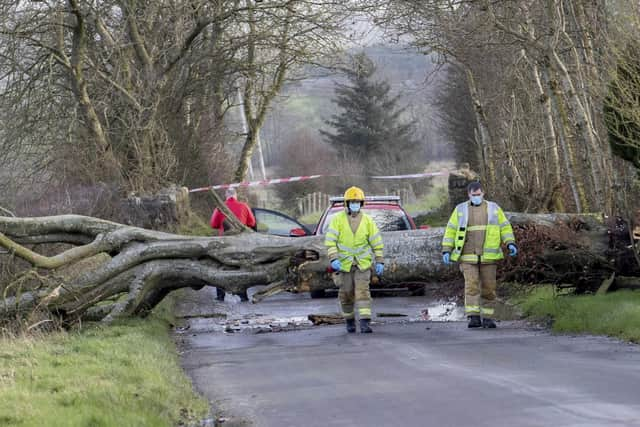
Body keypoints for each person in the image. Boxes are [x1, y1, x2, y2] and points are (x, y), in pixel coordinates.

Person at [441, 181, 518, 328]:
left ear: (483, 193)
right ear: (468, 195)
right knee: (471, 286)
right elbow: (450, 230)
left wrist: (510, 242)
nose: (476, 197)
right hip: (467, 256)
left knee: (489, 288)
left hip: (489, 257)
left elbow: (505, 227)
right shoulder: (460, 209)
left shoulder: (494, 208)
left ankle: (488, 318)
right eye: (473, 195)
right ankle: (473, 317)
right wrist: (446, 249)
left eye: (478, 194)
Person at [324, 186, 384, 333]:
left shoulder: (368, 221)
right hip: (344, 265)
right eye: (352, 201)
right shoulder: (337, 220)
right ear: (347, 203)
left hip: (362, 264)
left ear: (361, 203)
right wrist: (333, 259)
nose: (355, 204)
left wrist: (380, 260)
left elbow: (376, 241)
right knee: (346, 293)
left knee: (363, 292)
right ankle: (350, 320)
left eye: (357, 201)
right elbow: (330, 241)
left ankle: (365, 322)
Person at [210, 188, 257, 301]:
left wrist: (221, 226)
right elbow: (252, 223)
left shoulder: (220, 207)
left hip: (224, 241)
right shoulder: (244, 206)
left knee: (221, 267)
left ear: (226, 196)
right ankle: (243, 295)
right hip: (241, 241)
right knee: (240, 267)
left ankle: (220, 296)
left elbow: (213, 224)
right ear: (236, 195)